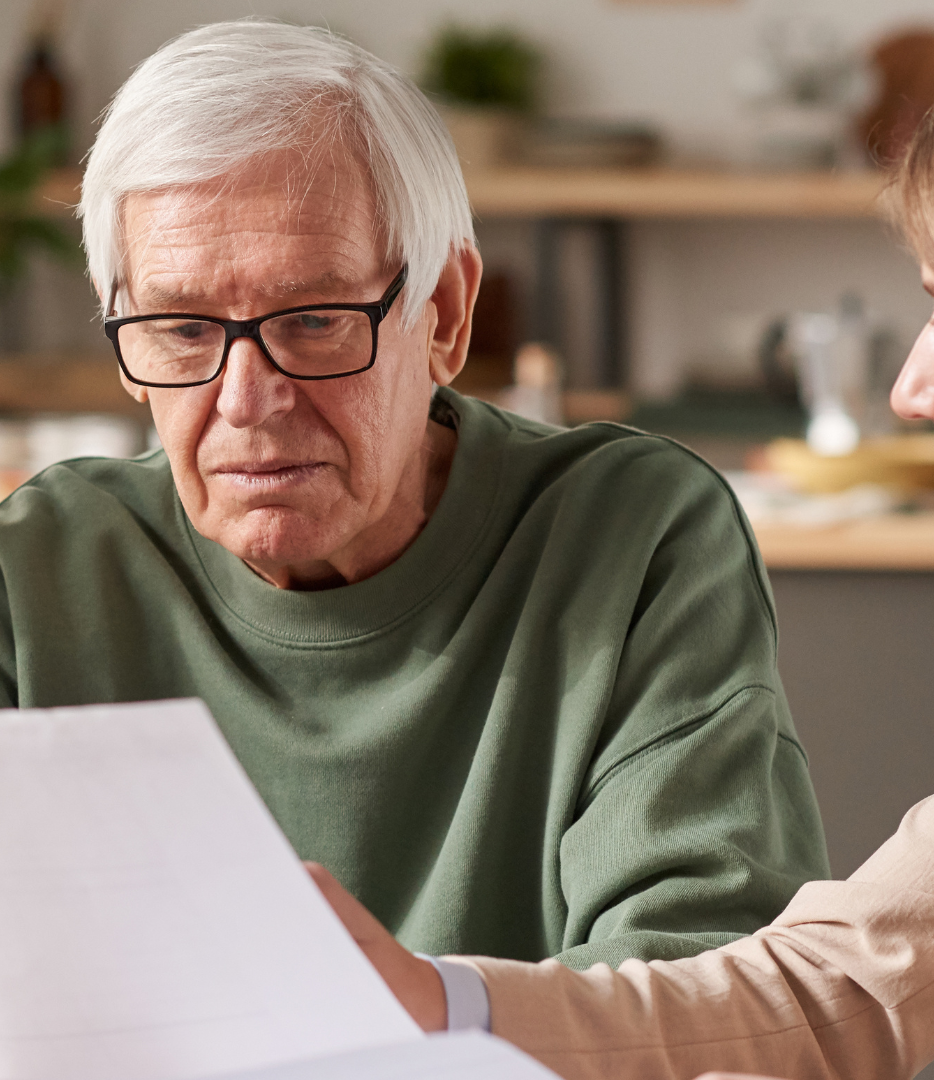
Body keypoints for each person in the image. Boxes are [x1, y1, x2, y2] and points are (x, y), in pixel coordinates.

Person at [0, 20, 829, 1080]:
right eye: (183, 329)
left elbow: (701, 995)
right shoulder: (47, 561)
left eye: (314, 319)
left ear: (443, 312)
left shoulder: (630, 535)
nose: (247, 400)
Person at [316, 107, 934, 1080]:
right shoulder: (33, 560)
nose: (911, 389)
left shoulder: (641, 528)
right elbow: (840, 995)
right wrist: (437, 1004)